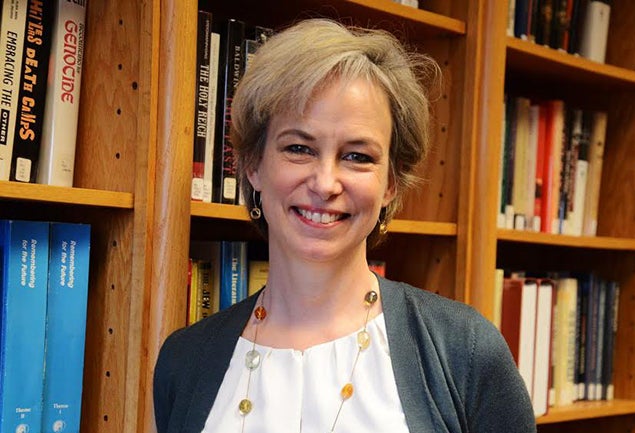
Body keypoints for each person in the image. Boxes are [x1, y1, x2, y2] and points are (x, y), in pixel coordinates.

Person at [153, 18, 536, 433]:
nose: (325, 183)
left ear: (391, 182)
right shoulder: (183, 361)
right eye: (298, 148)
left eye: (357, 156)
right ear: (252, 166)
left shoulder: (465, 350)